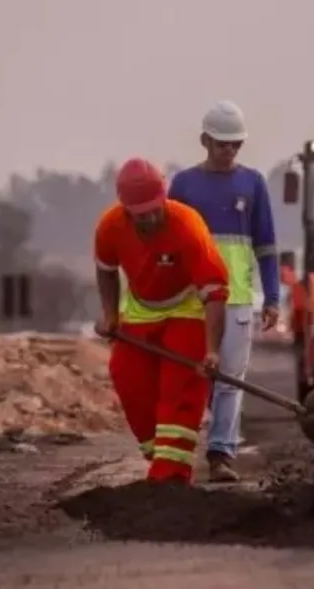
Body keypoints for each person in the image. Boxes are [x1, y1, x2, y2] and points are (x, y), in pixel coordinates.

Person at [93, 158, 230, 485]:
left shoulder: (187, 226)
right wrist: (111, 315)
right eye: (142, 214)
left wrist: (211, 350)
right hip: (142, 307)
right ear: (126, 210)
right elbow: (105, 269)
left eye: (156, 209)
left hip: (186, 306)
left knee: (180, 386)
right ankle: (161, 456)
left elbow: (214, 294)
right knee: (126, 375)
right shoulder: (110, 227)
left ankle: (171, 476)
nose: (151, 218)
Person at [167, 99, 280, 483]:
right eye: (222, 143)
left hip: (237, 299)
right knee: (196, 378)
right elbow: (169, 244)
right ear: (205, 141)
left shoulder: (253, 183)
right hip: (193, 300)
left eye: (235, 144)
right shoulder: (184, 185)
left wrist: (273, 297)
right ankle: (177, 453)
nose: (229, 150)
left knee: (231, 377)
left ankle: (221, 454)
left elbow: (266, 245)